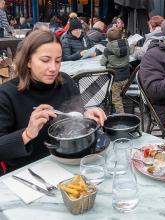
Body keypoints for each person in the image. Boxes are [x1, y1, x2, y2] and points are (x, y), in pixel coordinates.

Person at [0, 30, 106, 175]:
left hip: (69, 163)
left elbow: (77, 114)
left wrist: (86, 114)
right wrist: (27, 133)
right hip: (27, 173)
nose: (53, 68)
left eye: (57, 61)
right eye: (45, 60)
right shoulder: (6, 94)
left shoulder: (66, 81)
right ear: (28, 61)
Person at [100, 27, 134, 113]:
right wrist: (133, 45)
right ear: (121, 36)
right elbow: (132, 51)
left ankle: (121, 115)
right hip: (126, 77)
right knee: (126, 95)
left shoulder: (107, 50)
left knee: (116, 99)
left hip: (115, 79)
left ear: (108, 39)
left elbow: (102, 62)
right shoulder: (126, 46)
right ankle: (130, 111)